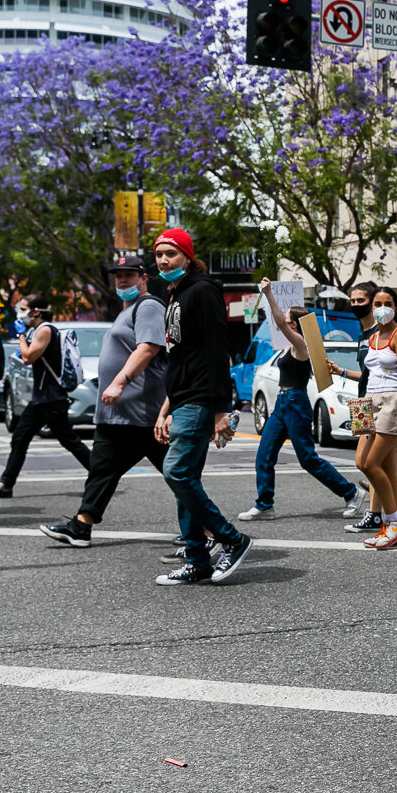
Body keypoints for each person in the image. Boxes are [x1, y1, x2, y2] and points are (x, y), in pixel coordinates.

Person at [39, 255, 180, 548]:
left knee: (177, 473)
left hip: (141, 410)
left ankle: (208, 530)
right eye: (118, 275)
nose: (122, 280)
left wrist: (119, 382)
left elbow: (149, 347)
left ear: (143, 277)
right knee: (102, 469)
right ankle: (81, 526)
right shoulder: (125, 311)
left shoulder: (149, 306)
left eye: (129, 275)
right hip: (116, 413)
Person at [150, 229, 253, 586]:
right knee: (185, 480)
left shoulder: (204, 290)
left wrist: (221, 408)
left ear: (187, 257)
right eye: (159, 254)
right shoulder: (175, 294)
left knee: (176, 473)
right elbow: (178, 360)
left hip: (199, 399)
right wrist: (165, 409)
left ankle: (231, 538)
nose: (164, 260)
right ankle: (197, 560)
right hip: (182, 399)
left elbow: (215, 350)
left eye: (171, 254)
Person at [237, 278, 361, 523]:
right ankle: (264, 505)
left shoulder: (301, 345)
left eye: (287, 316)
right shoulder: (286, 346)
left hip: (296, 401)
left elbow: (280, 324)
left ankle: (351, 492)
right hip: (282, 403)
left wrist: (269, 294)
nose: (283, 318)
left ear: (294, 323)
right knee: (264, 454)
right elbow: (280, 325)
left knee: (307, 458)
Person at [0, 295, 92, 498]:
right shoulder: (38, 330)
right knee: (20, 438)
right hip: (41, 398)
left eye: (23, 309)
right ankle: (6, 484)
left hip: (51, 399)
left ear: (35, 311)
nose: (20, 313)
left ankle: (101, 476)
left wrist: (20, 336)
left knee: (69, 440)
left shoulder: (45, 329)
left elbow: (29, 357)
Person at [354, 284, 397, 548]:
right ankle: (394, 521)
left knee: (371, 464)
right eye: (378, 304)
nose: (383, 309)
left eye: (388, 304)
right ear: (372, 308)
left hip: (392, 400)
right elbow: (369, 375)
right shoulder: (371, 338)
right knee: (366, 463)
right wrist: (339, 372)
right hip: (366, 401)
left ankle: (393, 521)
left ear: (396, 306)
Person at [329, 280, 382, 529]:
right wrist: (340, 371)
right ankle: (385, 508)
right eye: (352, 301)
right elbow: (364, 372)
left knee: (366, 462)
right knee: (365, 463)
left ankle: (383, 509)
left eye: (360, 300)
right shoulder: (362, 334)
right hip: (361, 401)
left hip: (377, 401)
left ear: (372, 302)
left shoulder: (379, 332)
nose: (355, 305)